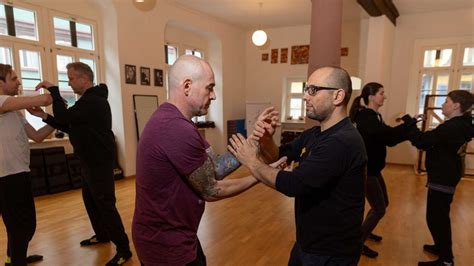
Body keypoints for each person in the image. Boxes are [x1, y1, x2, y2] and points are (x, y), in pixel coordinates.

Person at [229, 66, 367, 265]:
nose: (305, 96)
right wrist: (267, 138)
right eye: (305, 89)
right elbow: (279, 155)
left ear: (337, 96)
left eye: (313, 90)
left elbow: (294, 184)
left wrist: (251, 161)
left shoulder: (342, 141)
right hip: (308, 243)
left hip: (331, 252)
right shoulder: (315, 134)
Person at [132, 55, 261, 265]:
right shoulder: (176, 128)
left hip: (177, 234)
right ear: (187, 86)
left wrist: (256, 138)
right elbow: (211, 189)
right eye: (210, 88)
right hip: (164, 243)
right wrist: (261, 175)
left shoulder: (179, 122)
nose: (214, 96)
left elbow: (216, 167)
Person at [29, 62, 132, 265]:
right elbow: (70, 125)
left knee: (105, 205)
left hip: (99, 163)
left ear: (84, 79)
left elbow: (63, 115)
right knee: (90, 201)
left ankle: (124, 249)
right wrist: (44, 116)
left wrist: (54, 91)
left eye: (71, 78)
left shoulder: (93, 101)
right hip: (89, 161)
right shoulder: (87, 100)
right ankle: (102, 235)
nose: (69, 82)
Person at [402, 90, 474, 266]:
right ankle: (441, 248)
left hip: (443, 176)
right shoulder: (463, 123)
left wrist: (409, 123)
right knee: (438, 215)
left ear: (456, 106)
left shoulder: (452, 127)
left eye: (447, 101)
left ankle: (446, 260)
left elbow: (421, 141)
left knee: (436, 217)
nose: (443, 104)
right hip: (447, 174)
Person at [348, 82, 411, 258]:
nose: (385, 96)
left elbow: (387, 133)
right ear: (371, 97)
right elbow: (388, 137)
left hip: (374, 170)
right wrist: (409, 126)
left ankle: (365, 230)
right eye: (381, 93)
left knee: (382, 204)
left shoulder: (374, 116)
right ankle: (358, 243)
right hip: (366, 171)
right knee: (379, 209)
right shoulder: (366, 117)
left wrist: (407, 126)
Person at [0, 63, 54, 265]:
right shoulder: (1, 103)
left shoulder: (15, 112)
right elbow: (44, 98)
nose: (19, 81)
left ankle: (13, 257)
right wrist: (52, 93)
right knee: (21, 227)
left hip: (20, 173)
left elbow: (37, 136)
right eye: (13, 78)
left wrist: (58, 121)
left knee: (23, 226)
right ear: (0, 83)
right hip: (6, 176)